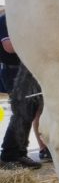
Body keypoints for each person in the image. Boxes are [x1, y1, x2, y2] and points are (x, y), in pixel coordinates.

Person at [0, 13, 43, 169]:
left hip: (26, 71)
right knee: (22, 113)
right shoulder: (6, 19)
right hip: (13, 72)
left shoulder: (23, 17)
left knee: (28, 113)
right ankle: (9, 155)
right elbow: (9, 47)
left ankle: (18, 153)